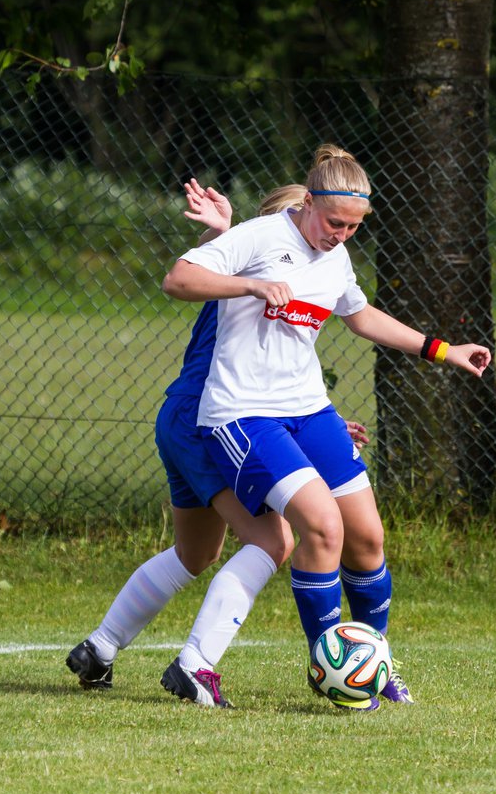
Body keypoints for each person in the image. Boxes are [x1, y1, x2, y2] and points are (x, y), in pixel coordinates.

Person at [162, 144, 492, 711]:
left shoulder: (334, 256)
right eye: (334, 222)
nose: (342, 234)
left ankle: (373, 662)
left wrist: (442, 349)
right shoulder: (261, 236)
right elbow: (177, 280)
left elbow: (359, 315)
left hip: (310, 411)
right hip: (244, 413)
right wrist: (251, 285)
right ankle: (330, 662)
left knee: (366, 538)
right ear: (308, 202)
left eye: (354, 227)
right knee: (319, 526)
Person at [66, 182, 370, 709]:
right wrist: (225, 237)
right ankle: (195, 665)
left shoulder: (254, 274)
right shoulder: (257, 270)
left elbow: (278, 364)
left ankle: (100, 646)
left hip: (180, 416)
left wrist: (323, 420)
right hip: (208, 423)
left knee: (196, 552)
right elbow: (216, 288)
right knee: (274, 542)